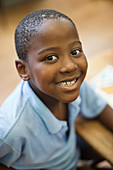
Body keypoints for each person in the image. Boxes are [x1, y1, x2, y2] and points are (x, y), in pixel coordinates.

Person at [0, 9, 113, 170]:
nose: (70, 66)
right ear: (23, 69)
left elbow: (100, 108)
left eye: (75, 52)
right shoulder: (11, 129)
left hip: (73, 155)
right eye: (50, 58)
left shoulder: (74, 84)